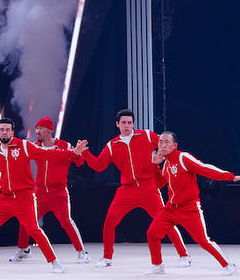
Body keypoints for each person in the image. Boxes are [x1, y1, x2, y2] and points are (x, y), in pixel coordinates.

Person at [0, 117, 86, 273]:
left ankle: (55, 262)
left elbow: (48, 154)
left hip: (25, 198)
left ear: (12, 132)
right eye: (2, 130)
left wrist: (73, 153)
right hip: (5, 199)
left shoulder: (23, 145)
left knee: (34, 229)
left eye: (7, 130)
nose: (4, 132)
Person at [79, 109, 190, 267]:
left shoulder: (146, 135)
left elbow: (166, 145)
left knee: (165, 221)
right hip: (127, 190)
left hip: (148, 187)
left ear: (133, 124)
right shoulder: (112, 145)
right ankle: (107, 258)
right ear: (117, 124)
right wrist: (85, 153)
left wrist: (169, 160)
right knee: (110, 221)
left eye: (129, 123)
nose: (127, 125)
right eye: (123, 122)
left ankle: (184, 255)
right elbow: (99, 166)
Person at [146, 132, 240, 275]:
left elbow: (205, 169)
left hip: (189, 208)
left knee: (203, 241)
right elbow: (158, 184)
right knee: (152, 233)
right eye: (160, 142)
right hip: (171, 209)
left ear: (175, 145)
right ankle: (157, 265)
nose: (162, 145)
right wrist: (154, 166)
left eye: (167, 142)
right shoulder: (167, 164)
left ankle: (229, 265)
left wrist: (230, 177)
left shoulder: (182, 157)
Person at [8, 116, 90, 264]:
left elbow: (79, 163)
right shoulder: (35, 146)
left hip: (59, 193)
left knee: (66, 221)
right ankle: (24, 250)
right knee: (26, 221)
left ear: (49, 130)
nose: (37, 131)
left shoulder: (64, 145)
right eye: (36, 128)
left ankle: (82, 253)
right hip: (40, 194)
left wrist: (78, 153)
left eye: (40, 128)